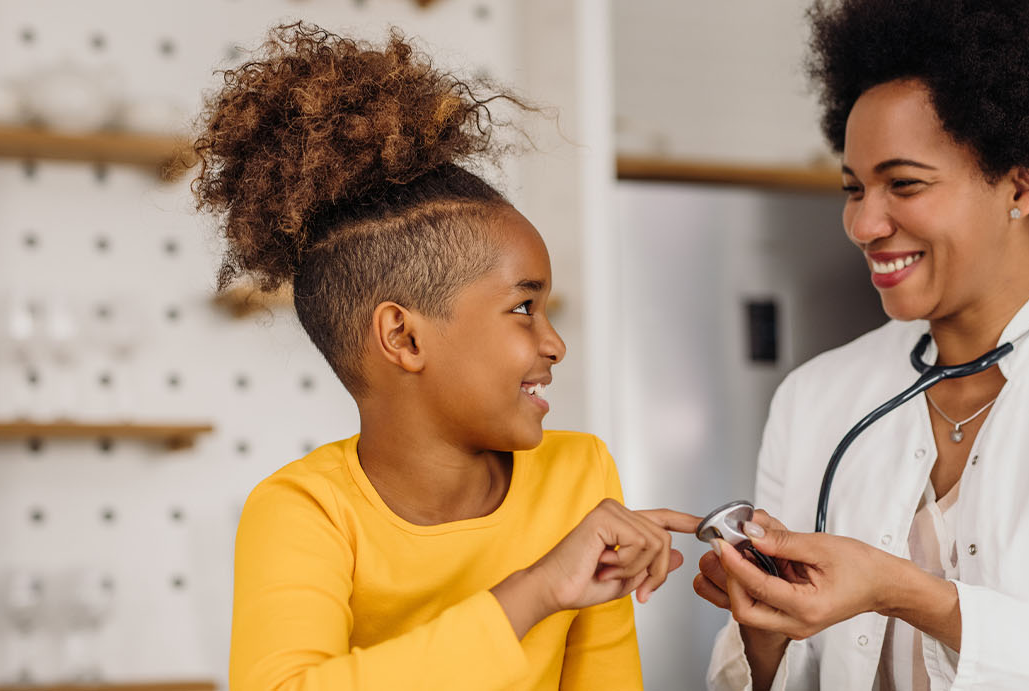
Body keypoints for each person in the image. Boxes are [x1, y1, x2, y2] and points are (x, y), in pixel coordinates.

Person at [692, 1, 1029, 689]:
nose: (863, 222)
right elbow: (765, 677)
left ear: (1023, 182)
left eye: (905, 184)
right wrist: (762, 633)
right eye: (854, 188)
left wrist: (905, 591)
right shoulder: (815, 396)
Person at [193, 24, 700, 690]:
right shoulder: (304, 509)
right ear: (404, 337)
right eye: (523, 307)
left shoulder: (580, 476)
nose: (555, 343)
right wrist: (539, 588)